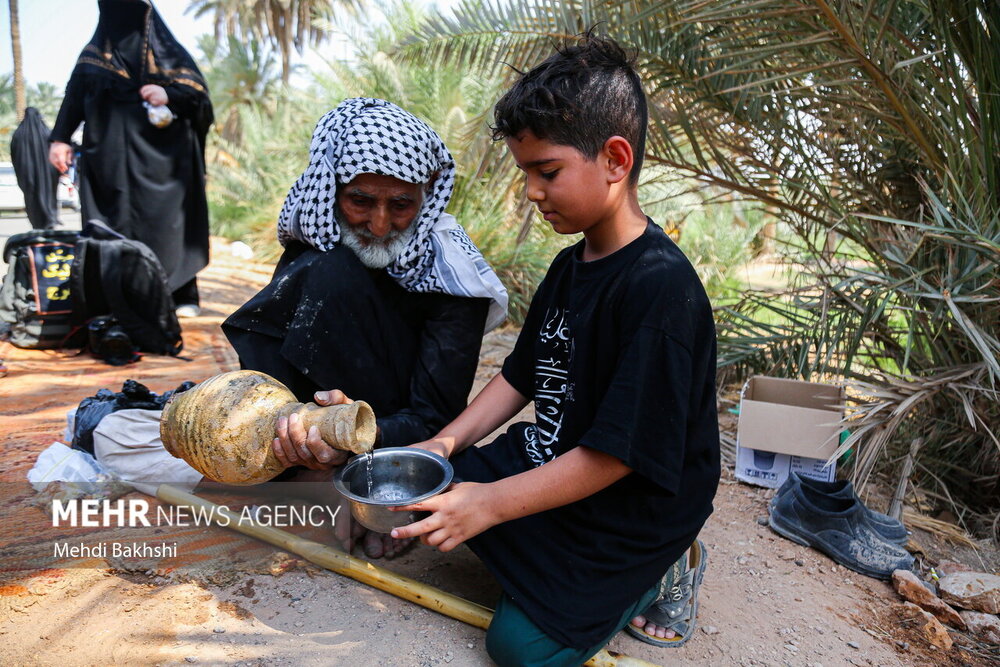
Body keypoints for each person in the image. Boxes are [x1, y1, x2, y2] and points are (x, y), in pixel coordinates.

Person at [340, 35, 717, 663]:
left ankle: (665, 565)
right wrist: (443, 445)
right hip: (557, 461)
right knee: (433, 493)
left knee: (519, 647)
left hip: (629, 504)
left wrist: (488, 504)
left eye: (548, 173)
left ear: (616, 160)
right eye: (526, 174)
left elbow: (616, 457)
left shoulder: (661, 291)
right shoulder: (572, 268)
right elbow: (520, 376)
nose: (533, 193)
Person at [224, 98, 508, 557]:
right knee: (326, 270)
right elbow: (267, 358)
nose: (379, 224)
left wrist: (351, 440)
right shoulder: (316, 250)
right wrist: (303, 433)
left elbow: (434, 418)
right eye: (360, 200)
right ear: (333, 191)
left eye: (401, 205)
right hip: (305, 431)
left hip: (396, 432)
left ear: (426, 195)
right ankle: (307, 475)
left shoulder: (454, 276)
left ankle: (359, 485)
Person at [48, 0, 213, 317]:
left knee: (169, 225)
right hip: (108, 165)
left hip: (164, 167)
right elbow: (73, 100)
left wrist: (169, 95)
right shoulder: (92, 59)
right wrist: (59, 139)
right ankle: (115, 296)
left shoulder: (171, 58)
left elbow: (199, 99)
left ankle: (180, 294)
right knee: (111, 227)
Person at [10, 107, 60, 230]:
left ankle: (37, 223)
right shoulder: (47, 132)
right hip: (47, 176)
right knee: (49, 195)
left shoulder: (18, 134)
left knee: (32, 198)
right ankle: (50, 220)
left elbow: (15, 156)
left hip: (28, 175)